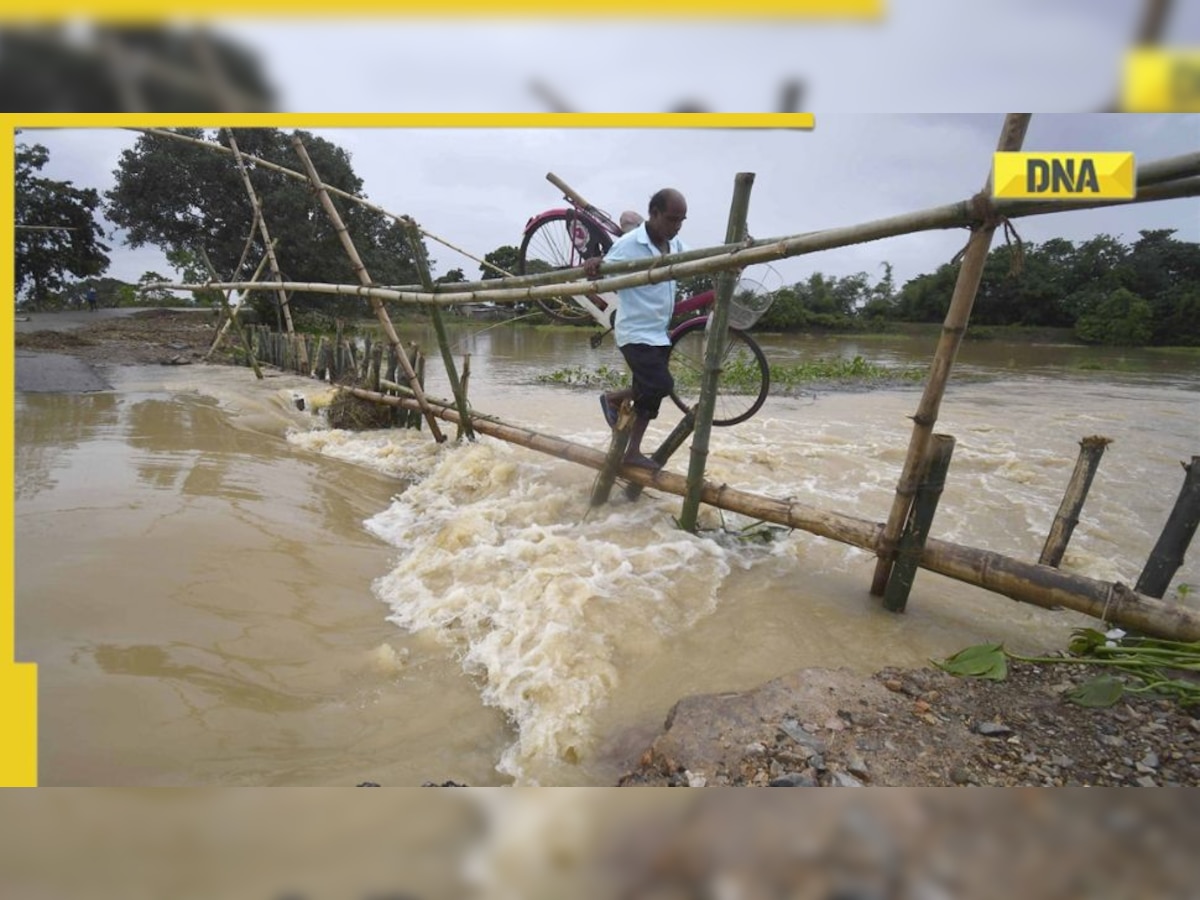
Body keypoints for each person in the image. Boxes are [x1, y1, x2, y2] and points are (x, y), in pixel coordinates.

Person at [583, 188, 688, 470]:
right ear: (653, 214)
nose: (676, 226)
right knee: (661, 385)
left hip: (659, 333)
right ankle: (613, 397)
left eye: (681, 220)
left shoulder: (675, 245)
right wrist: (595, 264)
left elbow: (697, 261)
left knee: (648, 399)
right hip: (635, 333)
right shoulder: (629, 245)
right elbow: (603, 270)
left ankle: (633, 452)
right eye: (671, 219)